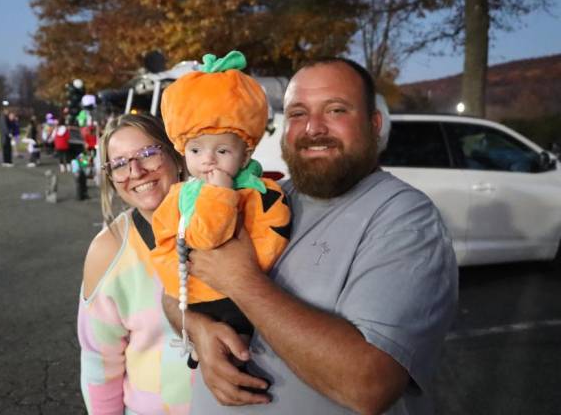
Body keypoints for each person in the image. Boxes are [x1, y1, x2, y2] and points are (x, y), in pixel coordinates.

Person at [165, 58, 459, 414]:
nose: (313, 128)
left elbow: (369, 384)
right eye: (298, 114)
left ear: (374, 124)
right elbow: (172, 291)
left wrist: (241, 281)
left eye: (336, 110)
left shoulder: (406, 219)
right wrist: (200, 331)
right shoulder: (263, 197)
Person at [150, 51, 291, 368]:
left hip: (239, 305)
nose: (208, 160)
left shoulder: (260, 194)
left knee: (241, 355)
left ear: (245, 154)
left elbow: (211, 238)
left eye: (223, 150)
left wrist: (219, 196)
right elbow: (164, 244)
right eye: (196, 149)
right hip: (194, 299)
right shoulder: (179, 195)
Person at [77, 113, 193, 414]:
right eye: (119, 164)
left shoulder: (225, 222)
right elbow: (99, 364)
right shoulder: (109, 250)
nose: (136, 171)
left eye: (148, 153)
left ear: (176, 156)